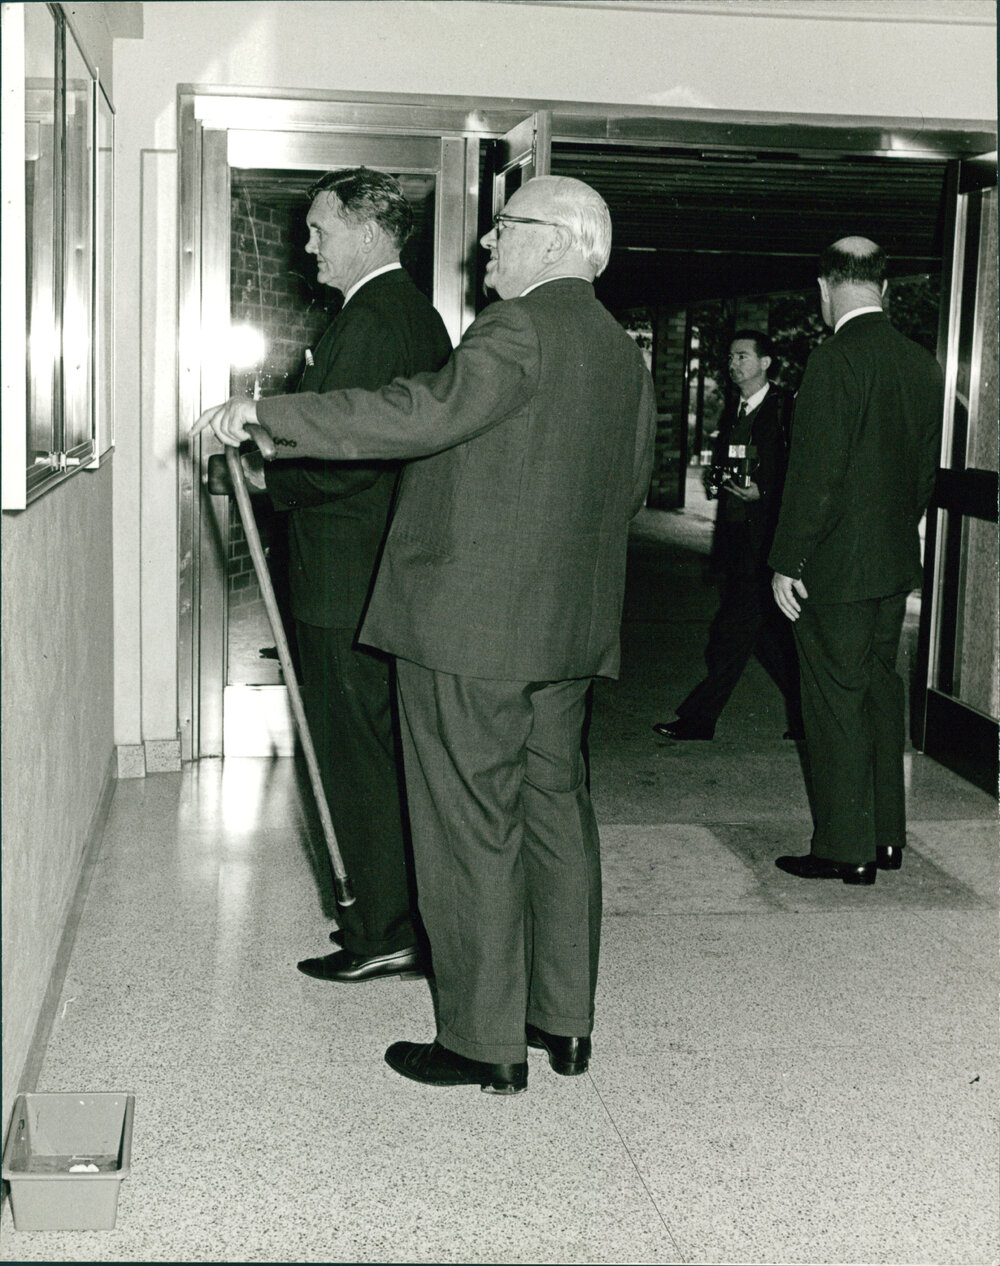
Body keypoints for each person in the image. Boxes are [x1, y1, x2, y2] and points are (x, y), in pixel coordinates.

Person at [195, 175, 656, 1094]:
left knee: (469, 825)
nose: (488, 244)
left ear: (556, 242)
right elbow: (630, 487)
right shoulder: (617, 348)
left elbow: (419, 411)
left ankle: (483, 1040)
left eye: (505, 229)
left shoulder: (517, 328)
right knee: (556, 817)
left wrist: (271, 416)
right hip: (565, 633)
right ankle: (562, 1020)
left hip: (472, 631)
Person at [230, 168, 452, 982]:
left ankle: (383, 929)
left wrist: (271, 478)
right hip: (372, 570)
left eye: (320, 229)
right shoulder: (400, 312)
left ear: (366, 230)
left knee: (353, 756)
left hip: (346, 578)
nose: (308, 244)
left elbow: (349, 456)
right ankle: (397, 917)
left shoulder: (373, 320)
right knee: (374, 751)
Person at [769, 237, 943, 885]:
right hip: (892, 564)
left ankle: (847, 849)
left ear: (825, 288)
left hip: (835, 571)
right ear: (885, 289)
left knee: (834, 702)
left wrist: (789, 560)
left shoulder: (833, 360)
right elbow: (923, 477)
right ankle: (887, 836)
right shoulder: (920, 363)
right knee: (879, 693)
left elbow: (815, 476)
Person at [653, 331, 802, 741]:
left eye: (742, 356)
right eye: (731, 357)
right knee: (765, 637)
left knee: (730, 633)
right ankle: (809, 714)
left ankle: (699, 719)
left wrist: (764, 492)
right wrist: (716, 478)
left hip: (766, 541)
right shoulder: (735, 411)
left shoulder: (785, 410)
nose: (733, 364)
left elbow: (801, 472)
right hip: (737, 537)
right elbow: (734, 460)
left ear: (765, 363)